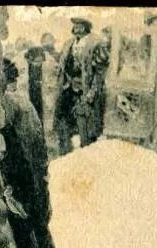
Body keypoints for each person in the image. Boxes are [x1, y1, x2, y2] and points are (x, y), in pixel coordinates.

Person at [0, 59, 67, 248]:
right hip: (33, 174)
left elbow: (21, 152)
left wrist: (19, 189)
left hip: (23, 177)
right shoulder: (23, 103)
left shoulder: (10, 106)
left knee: (28, 238)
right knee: (39, 228)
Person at [53, 17, 106, 154]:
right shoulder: (68, 43)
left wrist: (91, 95)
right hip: (67, 91)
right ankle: (65, 158)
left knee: (86, 133)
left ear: (86, 27)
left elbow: (99, 74)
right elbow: (62, 66)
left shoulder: (97, 43)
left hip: (86, 93)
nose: (77, 28)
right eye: (75, 26)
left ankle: (87, 162)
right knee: (63, 127)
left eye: (80, 26)